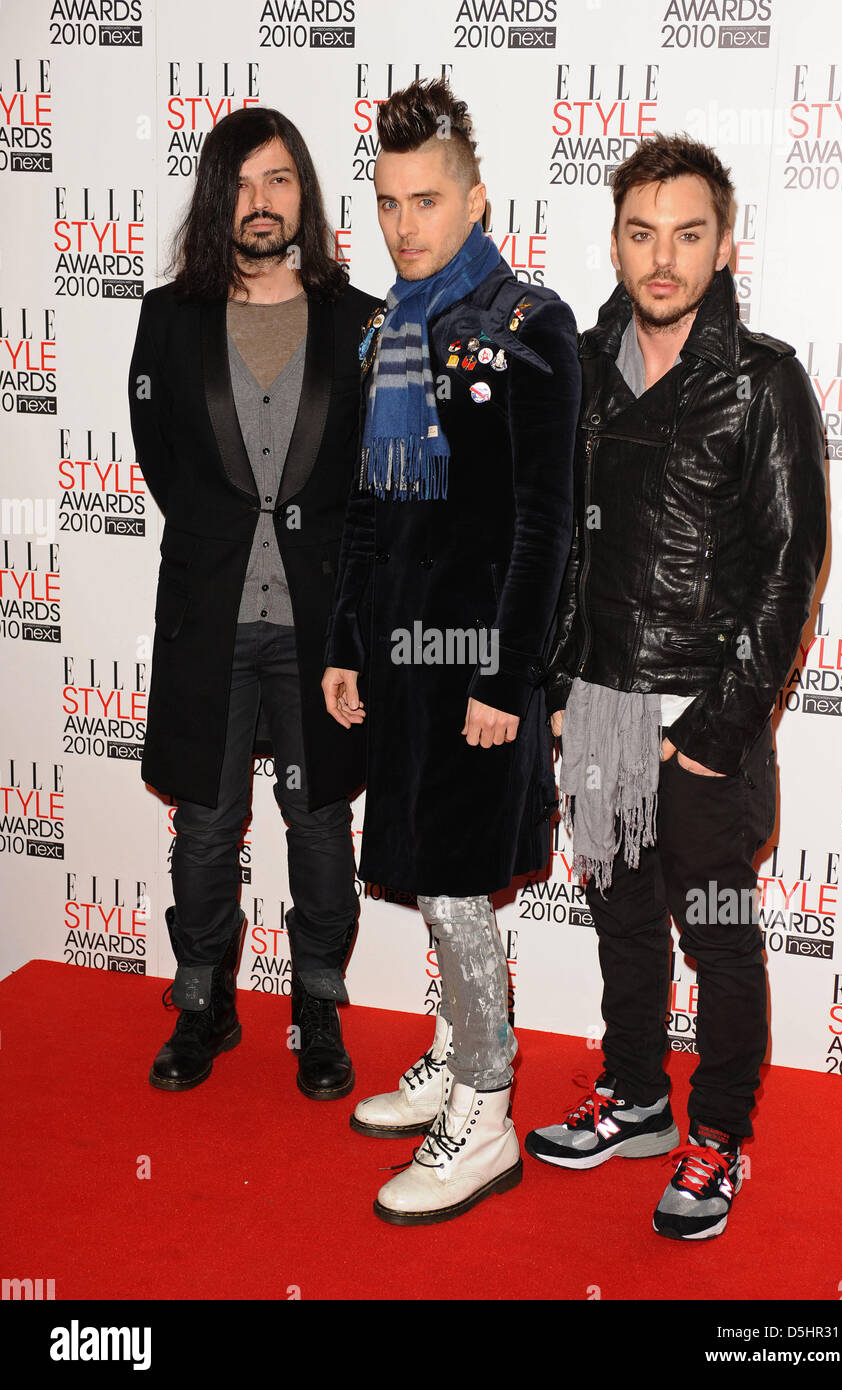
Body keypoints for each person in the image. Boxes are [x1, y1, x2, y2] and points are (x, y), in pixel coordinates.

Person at [525, 134, 826, 1239]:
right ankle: (638, 1095)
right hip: (600, 708)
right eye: (641, 234)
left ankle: (718, 1136)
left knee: (715, 933)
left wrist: (716, 730)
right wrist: (561, 688)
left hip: (703, 716)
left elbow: (791, 569)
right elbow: (558, 543)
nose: (662, 258)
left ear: (722, 243)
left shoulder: (760, 381)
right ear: (614, 241)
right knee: (619, 925)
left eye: (685, 235)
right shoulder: (579, 371)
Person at [322, 78, 580, 1224]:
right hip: (399, 664)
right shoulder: (385, 329)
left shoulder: (531, 323)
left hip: (478, 665)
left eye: (425, 200)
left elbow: (544, 521)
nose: (403, 224)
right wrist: (342, 645)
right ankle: (448, 1055)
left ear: (474, 197)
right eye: (386, 202)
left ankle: (485, 1108)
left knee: (461, 890)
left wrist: (504, 678)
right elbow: (367, 513)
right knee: (431, 874)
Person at [128, 107, 378, 1100]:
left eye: (278, 181)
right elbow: (166, 467)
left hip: (321, 630)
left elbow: (368, 484)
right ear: (214, 197)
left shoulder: (360, 324)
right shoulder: (168, 319)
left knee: (318, 822)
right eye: (239, 182)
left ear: (303, 196)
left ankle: (315, 1005)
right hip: (209, 621)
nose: (259, 201)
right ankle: (205, 1003)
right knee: (203, 822)